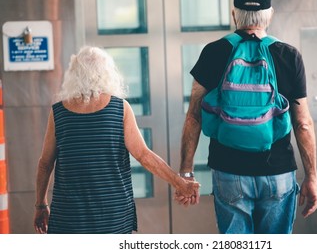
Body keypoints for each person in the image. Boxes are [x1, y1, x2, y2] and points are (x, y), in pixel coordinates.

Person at [176, 0, 317, 234]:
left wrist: (186, 172)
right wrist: (312, 178)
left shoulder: (213, 52)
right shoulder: (289, 55)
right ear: (270, 15)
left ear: (234, 14)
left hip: (229, 171)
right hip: (278, 171)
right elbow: (303, 124)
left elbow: (194, 117)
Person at [34, 46, 199, 234]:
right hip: (113, 215)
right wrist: (179, 183)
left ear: (74, 75)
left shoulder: (58, 113)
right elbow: (143, 155)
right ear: (107, 73)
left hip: (70, 217)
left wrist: (40, 205)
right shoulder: (120, 108)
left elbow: (45, 164)